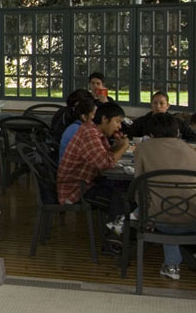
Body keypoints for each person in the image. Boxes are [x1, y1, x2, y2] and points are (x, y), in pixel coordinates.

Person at [134, 113, 196, 280]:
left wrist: (142, 212)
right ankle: (175, 262)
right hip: (193, 219)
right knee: (175, 204)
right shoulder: (190, 149)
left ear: (151, 134)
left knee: (162, 207)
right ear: (177, 132)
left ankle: (172, 265)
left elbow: (138, 185)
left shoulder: (142, 148)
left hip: (160, 219)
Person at [57, 102, 129, 208]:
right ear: (105, 119)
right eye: (117, 121)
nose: (119, 126)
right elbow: (105, 163)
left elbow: (105, 155)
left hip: (88, 183)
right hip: (77, 190)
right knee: (124, 200)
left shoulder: (96, 131)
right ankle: (117, 222)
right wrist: (124, 147)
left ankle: (117, 221)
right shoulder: (90, 133)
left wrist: (118, 146)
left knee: (126, 188)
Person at [128, 91, 196, 141]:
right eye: (155, 103)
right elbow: (129, 136)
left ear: (167, 106)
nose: (158, 106)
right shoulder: (141, 122)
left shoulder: (176, 122)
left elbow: (192, 137)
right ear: (151, 105)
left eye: (161, 103)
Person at [58, 95, 97, 163]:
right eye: (94, 115)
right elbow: (97, 158)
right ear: (84, 117)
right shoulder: (80, 130)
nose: (96, 118)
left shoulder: (74, 127)